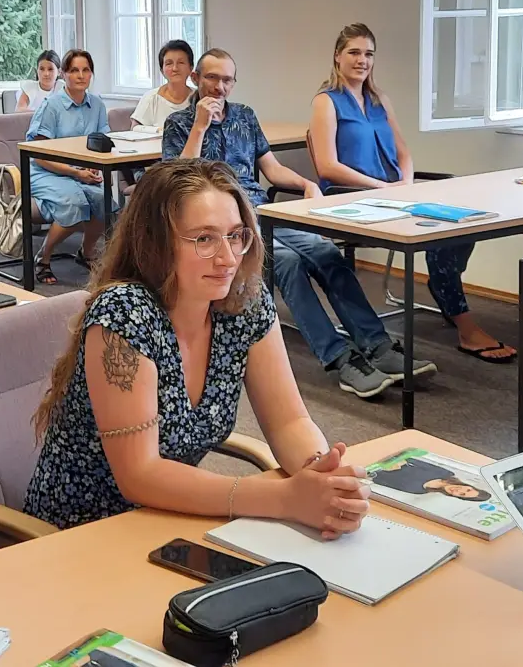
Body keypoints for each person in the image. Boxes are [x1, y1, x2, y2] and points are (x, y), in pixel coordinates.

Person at [23, 160, 371, 532]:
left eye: (236, 235)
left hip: (172, 518)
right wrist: (285, 498)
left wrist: (319, 473)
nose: (227, 259)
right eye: (204, 239)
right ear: (156, 243)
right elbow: (140, 474)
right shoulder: (124, 313)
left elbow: (290, 422)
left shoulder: (244, 303)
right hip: (82, 534)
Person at [163, 48, 434, 399]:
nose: (219, 86)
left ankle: (376, 344)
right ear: (196, 79)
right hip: (220, 225)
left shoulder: (245, 116)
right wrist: (200, 126)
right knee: (286, 262)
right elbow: (176, 182)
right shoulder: (179, 123)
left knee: (324, 252)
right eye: (211, 78)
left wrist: (306, 184)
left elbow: (271, 168)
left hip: (261, 211)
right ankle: (340, 359)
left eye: (227, 79)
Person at [310, 23, 514, 363]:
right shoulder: (326, 102)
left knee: (466, 220)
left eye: (369, 54)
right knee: (440, 238)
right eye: (354, 52)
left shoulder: (379, 100)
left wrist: (405, 182)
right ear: (337, 56)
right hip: (350, 197)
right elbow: (327, 166)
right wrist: (383, 189)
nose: (362, 60)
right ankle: (466, 326)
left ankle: (444, 283)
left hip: (394, 194)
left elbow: (404, 152)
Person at [25, 50, 109, 286]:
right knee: (75, 203)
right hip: (45, 172)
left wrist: (94, 169)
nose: (81, 76)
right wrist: (75, 172)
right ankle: (44, 257)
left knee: (105, 201)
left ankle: (87, 252)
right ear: (64, 74)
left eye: (86, 70)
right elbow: (37, 154)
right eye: (74, 70)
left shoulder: (98, 105)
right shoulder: (51, 106)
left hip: (81, 173)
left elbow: (100, 144)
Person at [131, 40, 196, 129]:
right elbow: (134, 130)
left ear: (190, 68)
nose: (175, 68)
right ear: (162, 70)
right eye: (169, 63)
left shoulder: (198, 97)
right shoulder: (151, 98)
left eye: (181, 62)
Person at [369, 457, 491, 502]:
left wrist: (384, 471)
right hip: (393, 459)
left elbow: (381, 481)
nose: (459, 490)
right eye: (468, 490)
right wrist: (401, 461)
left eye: (462, 495)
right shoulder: (446, 473)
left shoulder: (419, 491)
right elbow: (414, 460)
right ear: (469, 485)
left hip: (376, 468)